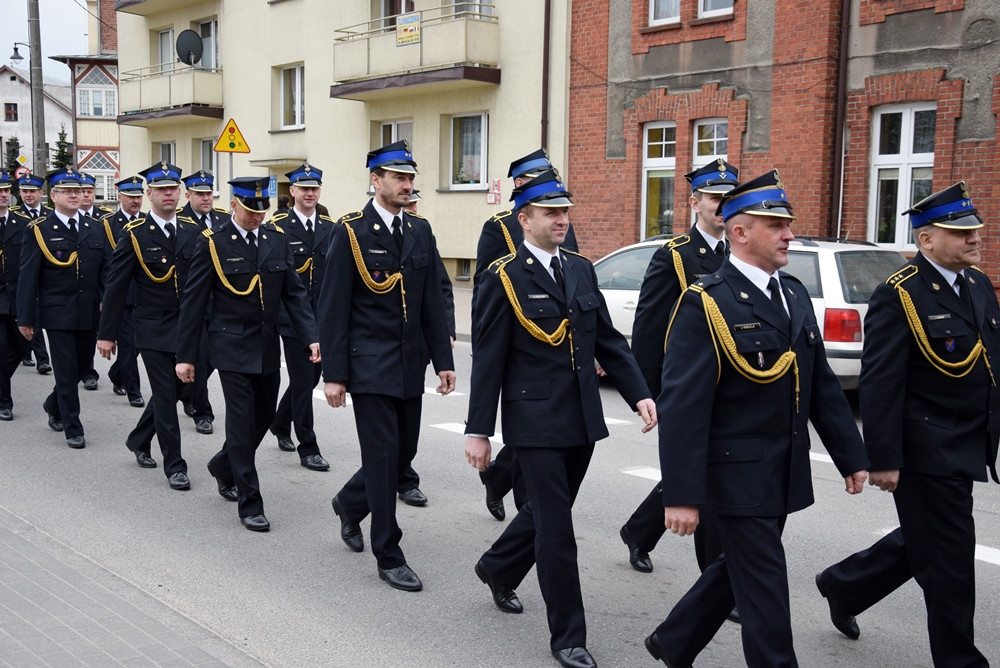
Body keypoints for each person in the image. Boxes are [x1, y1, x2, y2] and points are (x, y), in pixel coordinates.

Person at [643, 170, 869, 668]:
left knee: (737, 570)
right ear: (740, 233)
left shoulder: (791, 295)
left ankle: (674, 641)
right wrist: (681, 494)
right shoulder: (706, 302)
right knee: (765, 586)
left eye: (788, 224)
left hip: (782, 468)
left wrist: (849, 456)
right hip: (735, 473)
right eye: (777, 225)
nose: (790, 234)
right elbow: (683, 408)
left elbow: (820, 385)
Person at [465, 169, 656, 668]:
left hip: (581, 417)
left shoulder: (580, 268)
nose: (561, 220)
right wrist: (478, 429)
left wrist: (639, 394)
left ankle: (497, 567)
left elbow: (607, 340)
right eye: (550, 213)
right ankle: (568, 636)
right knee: (557, 530)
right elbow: (487, 357)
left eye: (565, 212)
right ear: (524, 218)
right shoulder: (502, 276)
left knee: (547, 514)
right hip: (533, 421)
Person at [814, 182, 999, 667]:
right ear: (926, 240)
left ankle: (844, 586)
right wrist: (884, 459)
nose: (974, 239)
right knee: (951, 561)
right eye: (961, 233)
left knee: (930, 538)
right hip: (926, 447)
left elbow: (990, 365)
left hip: (968, 440)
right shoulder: (900, 294)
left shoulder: (978, 284)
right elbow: (880, 383)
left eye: (975, 231)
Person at [320, 140, 455, 592]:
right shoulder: (350, 231)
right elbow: (333, 306)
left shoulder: (420, 230)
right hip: (368, 365)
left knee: (402, 455)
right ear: (375, 181)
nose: (407, 185)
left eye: (411, 178)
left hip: (408, 364)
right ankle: (389, 552)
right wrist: (334, 374)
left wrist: (443, 361)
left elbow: (431, 302)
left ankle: (349, 502)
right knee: (381, 458)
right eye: (399, 178)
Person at [176, 176, 319, 532]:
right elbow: (193, 304)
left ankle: (223, 465)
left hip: (267, 346)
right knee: (241, 425)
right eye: (252, 210)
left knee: (263, 419)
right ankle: (249, 501)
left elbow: (295, 295)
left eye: (263, 211)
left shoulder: (276, 240)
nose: (258, 217)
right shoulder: (213, 243)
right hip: (230, 347)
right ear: (235, 205)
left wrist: (311, 336)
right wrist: (186, 356)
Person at [620, 159, 738, 577]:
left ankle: (639, 530)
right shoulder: (675, 256)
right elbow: (649, 328)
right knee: (706, 476)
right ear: (695, 202)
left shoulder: (737, 254)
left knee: (706, 470)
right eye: (715, 198)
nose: (723, 206)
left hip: (728, 386)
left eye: (729, 198)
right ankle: (716, 579)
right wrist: (646, 391)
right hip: (685, 385)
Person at [472, 149, 581, 522]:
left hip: (560, 349)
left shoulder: (559, 223)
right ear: (520, 186)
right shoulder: (500, 227)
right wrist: (485, 344)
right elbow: (484, 293)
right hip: (522, 346)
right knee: (532, 445)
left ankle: (500, 483)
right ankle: (522, 511)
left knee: (533, 445)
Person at [97, 162, 195, 490]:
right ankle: (175, 465)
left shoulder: (195, 232)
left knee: (185, 388)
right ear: (149, 193)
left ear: (180, 193)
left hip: (191, 328)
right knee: (166, 394)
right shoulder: (135, 235)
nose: (169, 194)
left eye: (173, 188)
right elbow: (116, 285)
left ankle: (139, 438)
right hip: (153, 327)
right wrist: (107, 334)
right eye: (161, 189)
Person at [17, 167, 111, 449]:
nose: (75, 195)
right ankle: (73, 426)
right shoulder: (39, 229)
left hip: (88, 311)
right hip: (56, 312)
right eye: (68, 191)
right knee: (66, 369)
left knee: (82, 367)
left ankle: (52, 404)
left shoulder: (95, 227)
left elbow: (106, 271)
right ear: (53, 196)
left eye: (78, 190)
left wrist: (108, 301)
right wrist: (25, 317)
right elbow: (28, 275)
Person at [266, 163, 331, 472]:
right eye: (304, 188)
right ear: (291, 191)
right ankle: (308, 446)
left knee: (312, 378)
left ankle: (280, 422)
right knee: (305, 380)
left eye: (314, 188)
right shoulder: (278, 227)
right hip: (291, 318)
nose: (310, 193)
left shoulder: (330, 228)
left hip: (320, 317)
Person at [175, 171, 224, 434]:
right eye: (200, 194)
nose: (206, 198)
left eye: (209, 193)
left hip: (221, 302)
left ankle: (186, 391)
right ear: (188, 195)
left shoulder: (223, 220)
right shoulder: (179, 221)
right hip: (192, 303)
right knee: (201, 358)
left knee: (215, 358)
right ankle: (203, 412)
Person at [97, 176, 144, 407]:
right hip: (121, 296)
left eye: (138, 196)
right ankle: (133, 391)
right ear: (120, 197)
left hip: (146, 296)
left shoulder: (147, 222)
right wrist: (103, 297)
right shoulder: (106, 225)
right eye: (131, 196)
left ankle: (117, 374)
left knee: (137, 346)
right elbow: (101, 265)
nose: (135, 201)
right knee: (128, 345)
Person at [0, 170, 32, 421]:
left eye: (5, 191)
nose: (2, 195)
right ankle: (4, 401)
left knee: (22, 346)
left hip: (17, 295)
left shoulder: (22, 223)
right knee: (1, 349)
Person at [15, 174, 52, 375]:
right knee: (28, 316)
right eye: (24, 191)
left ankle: (41, 359)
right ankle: (34, 356)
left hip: (47, 273)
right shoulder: (14, 216)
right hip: (22, 274)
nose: (28, 195)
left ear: (41, 193)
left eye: (32, 191)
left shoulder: (50, 215)